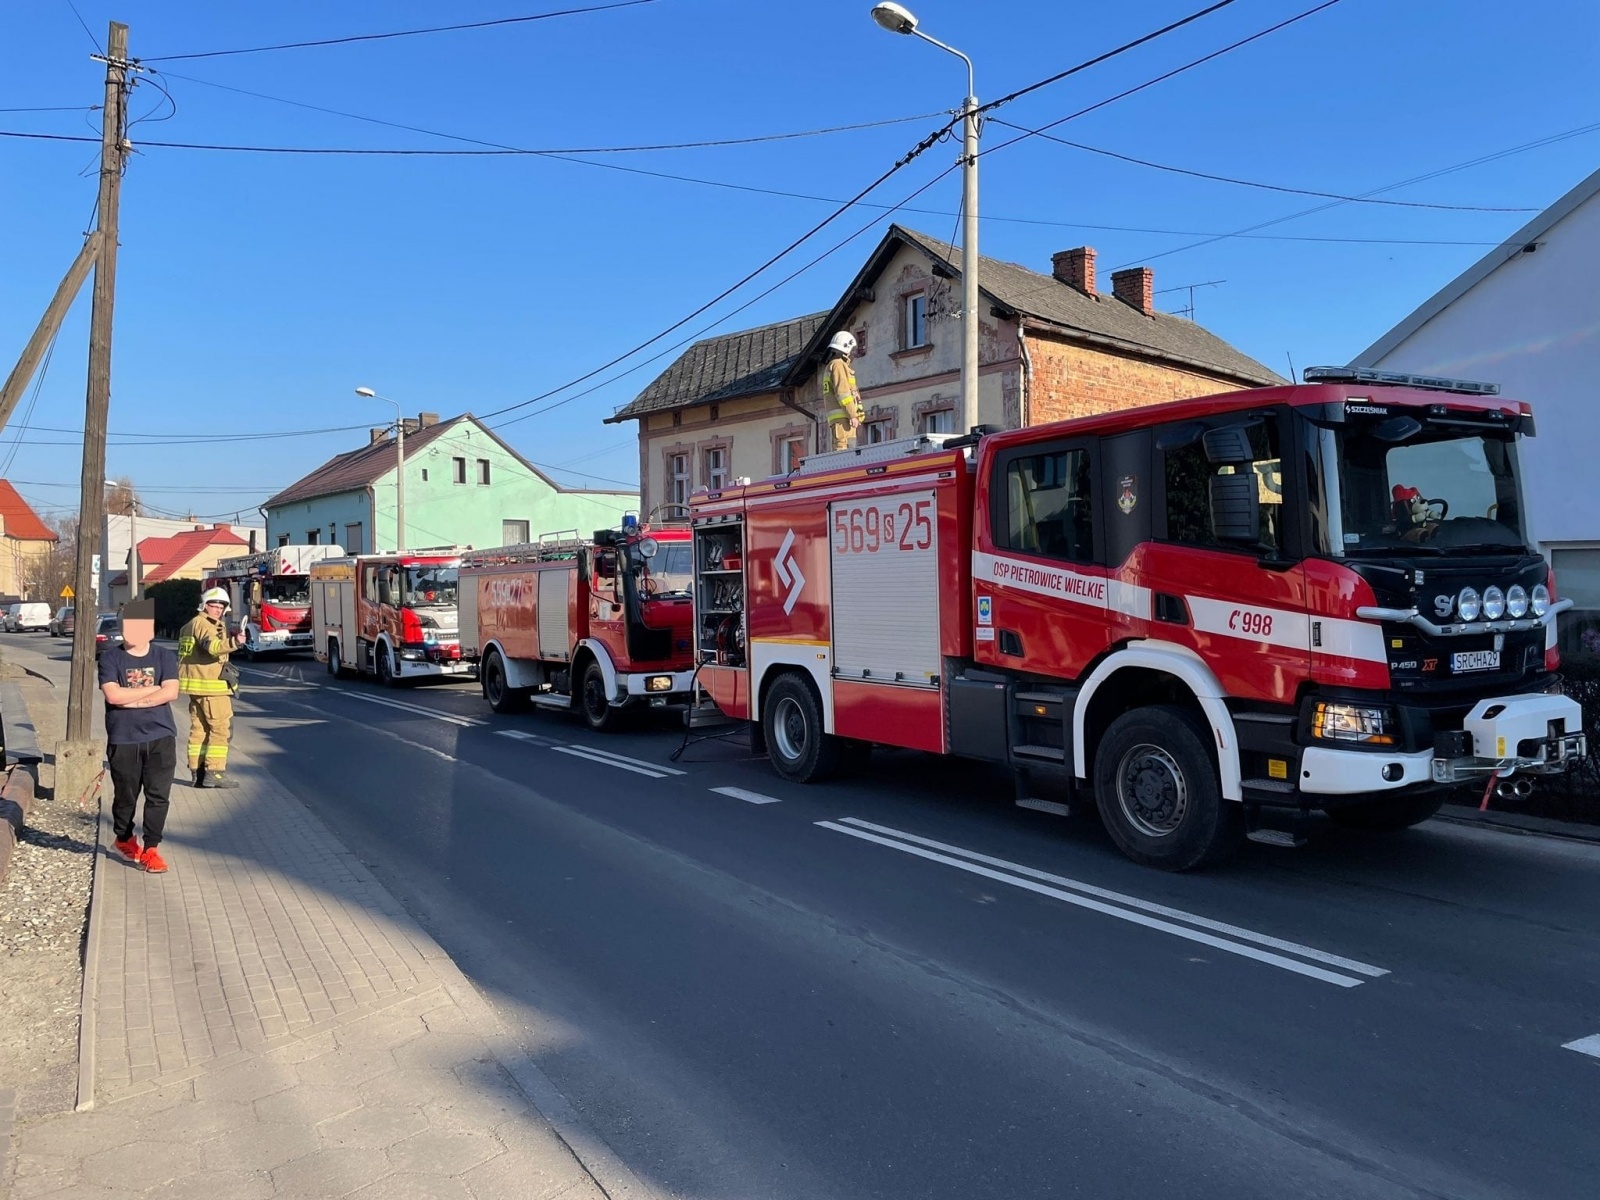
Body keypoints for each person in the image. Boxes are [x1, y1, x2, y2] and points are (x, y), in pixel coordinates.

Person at [98, 599, 180, 874]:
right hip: (124, 738)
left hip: (161, 736)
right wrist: (152, 691)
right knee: (126, 797)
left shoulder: (164, 657)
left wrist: (131, 700)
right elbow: (113, 695)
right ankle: (123, 838)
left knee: (158, 796)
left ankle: (151, 849)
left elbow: (171, 692)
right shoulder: (111, 658)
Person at [177, 586, 245, 788]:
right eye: (213, 605)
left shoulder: (189, 625)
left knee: (199, 730)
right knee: (220, 729)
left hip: (195, 687)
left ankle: (197, 772)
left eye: (220, 606)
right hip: (212, 688)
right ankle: (214, 772)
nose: (217, 609)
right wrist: (235, 642)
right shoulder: (205, 625)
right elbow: (213, 647)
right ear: (204, 605)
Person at [823, 331, 865, 452]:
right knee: (844, 451)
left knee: (850, 451)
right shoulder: (838, 365)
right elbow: (843, 393)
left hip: (843, 418)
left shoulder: (836, 365)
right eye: (851, 349)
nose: (852, 352)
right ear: (846, 347)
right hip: (844, 418)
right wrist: (852, 415)